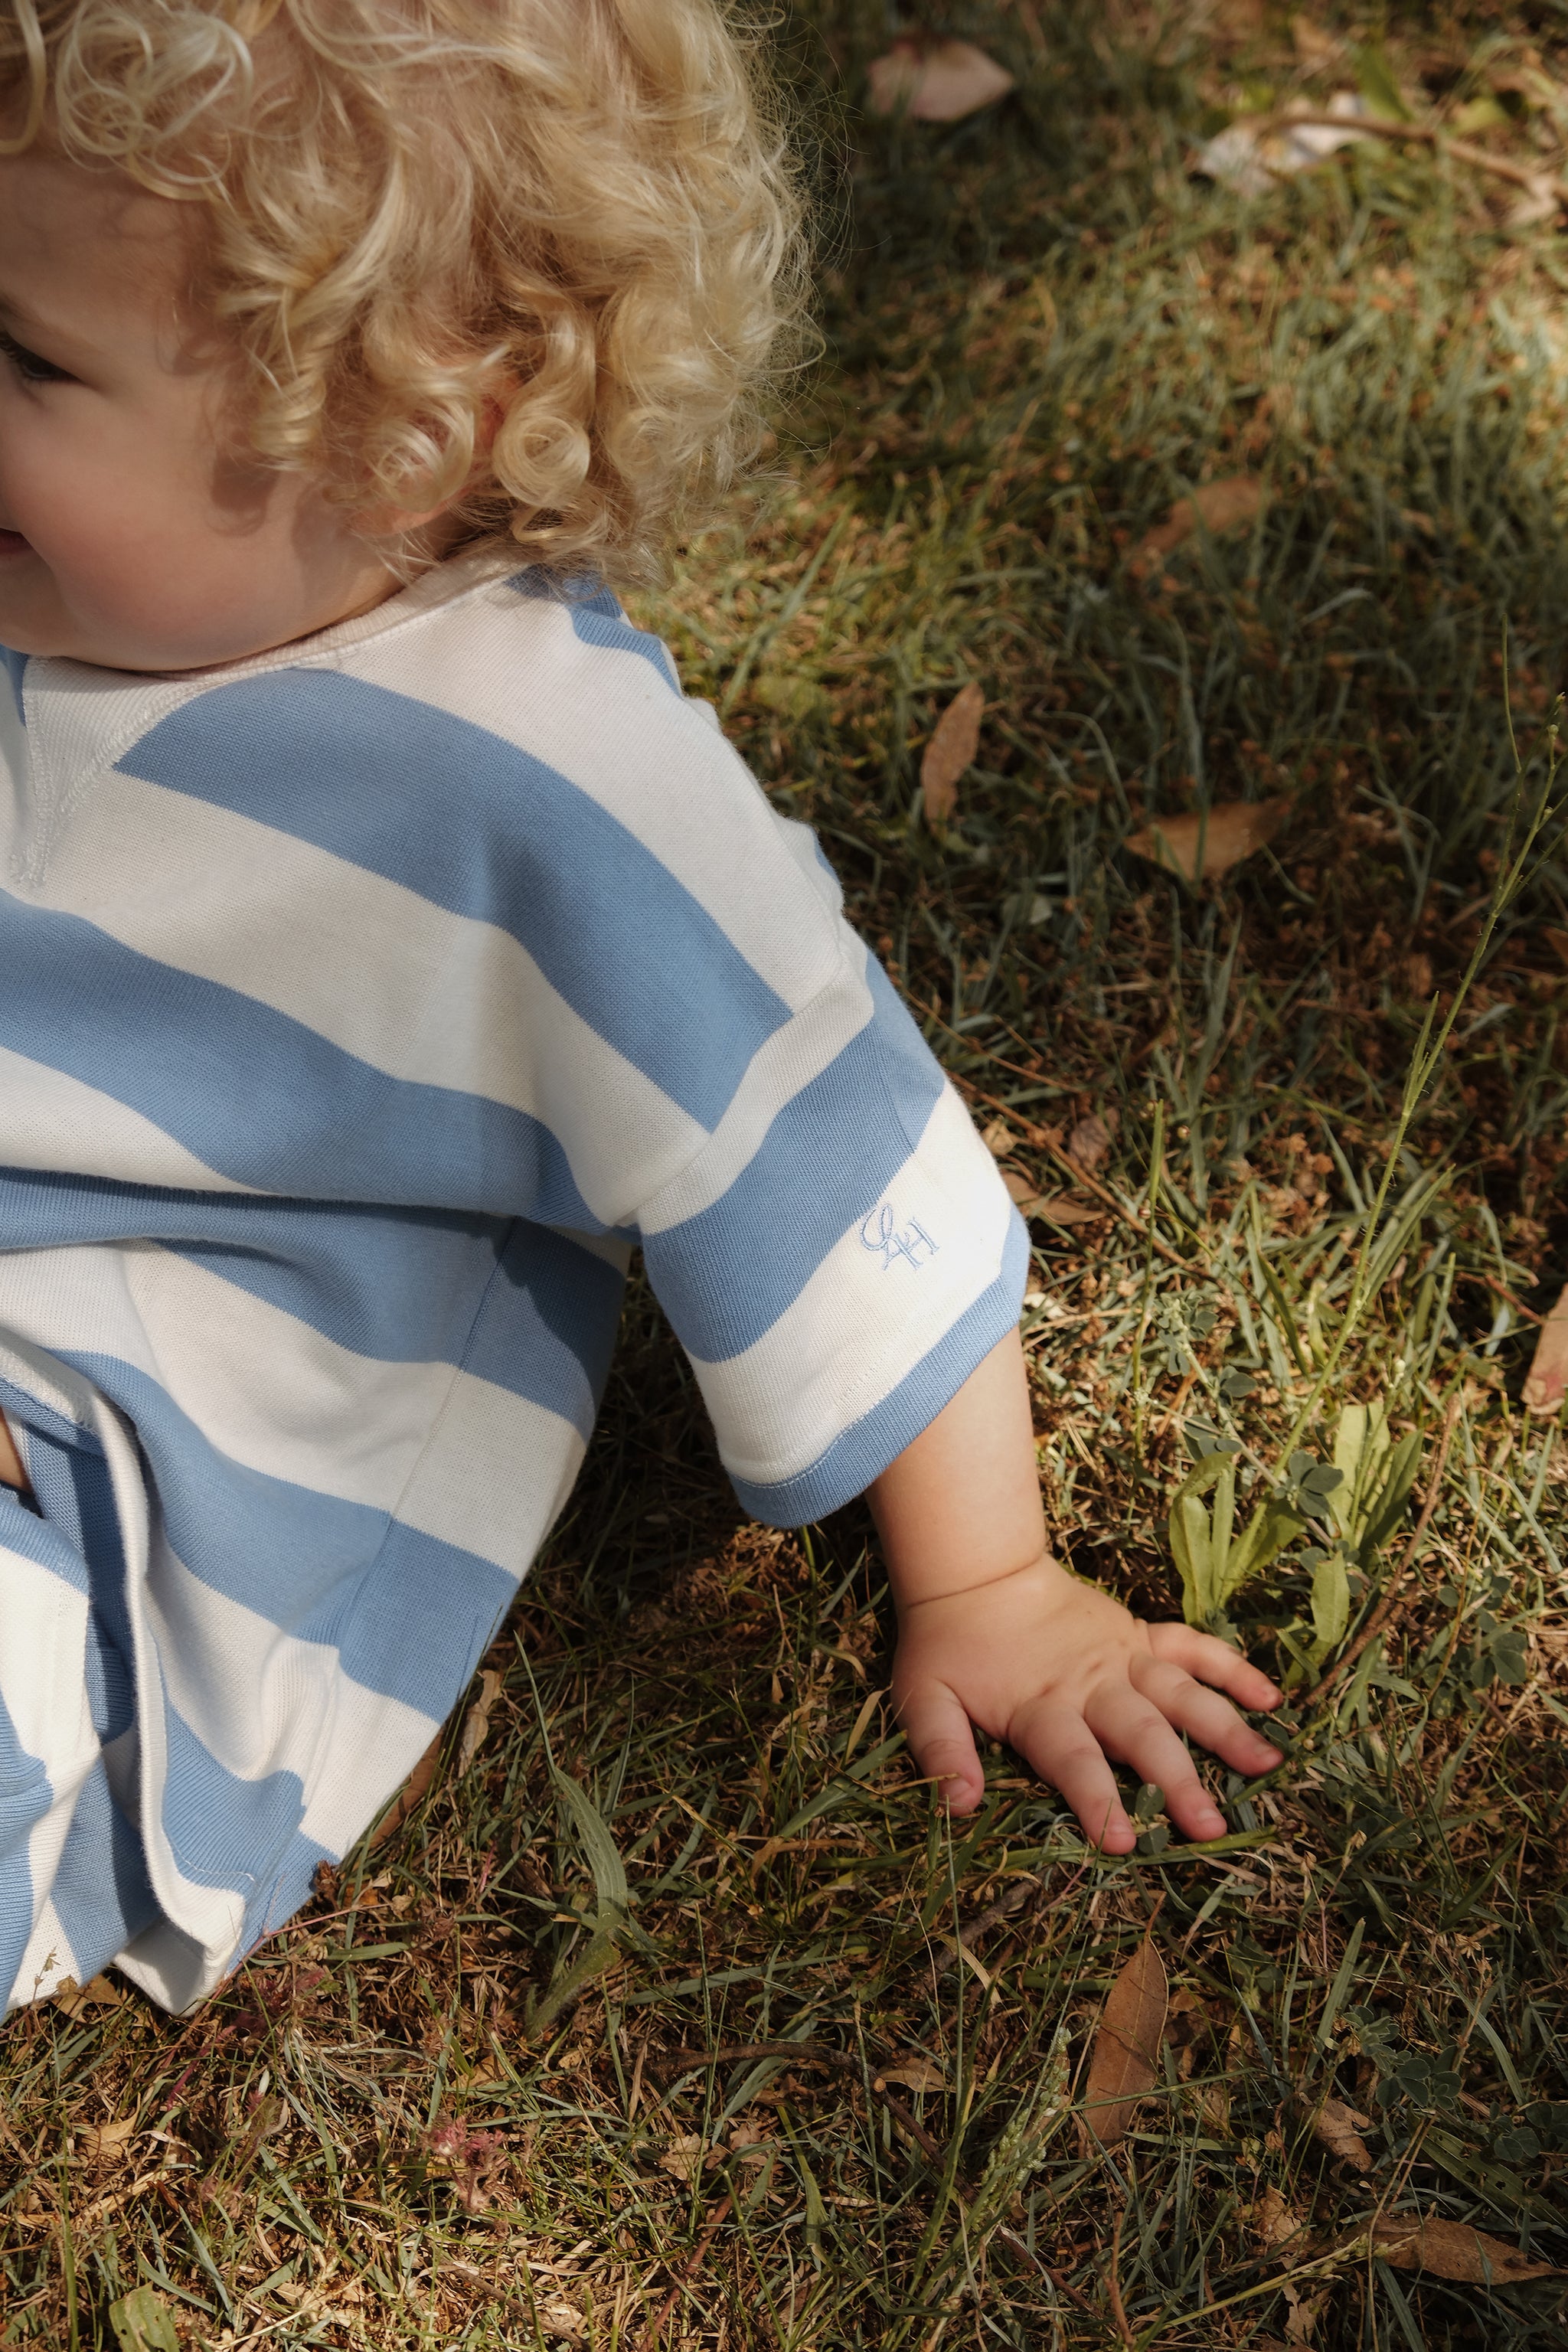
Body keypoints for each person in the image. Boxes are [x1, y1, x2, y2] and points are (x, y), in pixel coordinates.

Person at [0, 0, 1282, 2016]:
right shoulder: (67, 588)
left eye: (23, 359)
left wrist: (994, 1588)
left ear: (387, 428)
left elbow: (842, 1163)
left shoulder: (542, 782)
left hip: (121, 1460)